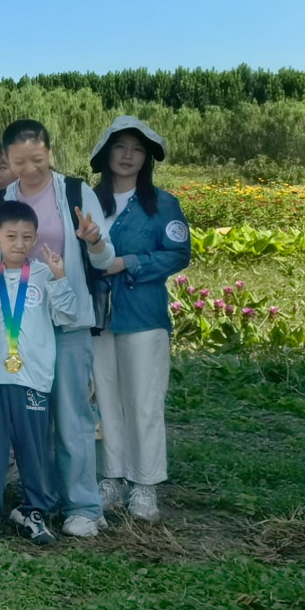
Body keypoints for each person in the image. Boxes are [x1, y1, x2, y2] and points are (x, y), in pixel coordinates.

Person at [0, 119, 116, 537]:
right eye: (18, 160)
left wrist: (94, 240)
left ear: (51, 152)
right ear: (6, 159)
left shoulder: (77, 193)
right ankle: (37, 501)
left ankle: (82, 505)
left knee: (72, 415)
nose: (28, 169)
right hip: (20, 325)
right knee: (32, 418)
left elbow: (103, 259)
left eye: (37, 159)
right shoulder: (0, 199)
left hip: (66, 321)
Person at [90, 116, 190, 522]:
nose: (127, 156)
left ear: (147, 157)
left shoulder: (162, 203)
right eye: (120, 147)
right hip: (97, 316)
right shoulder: (90, 199)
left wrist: (127, 263)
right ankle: (111, 478)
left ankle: (144, 485)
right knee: (105, 400)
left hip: (142, 316)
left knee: (143, 401)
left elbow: (176, 253)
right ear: (105, 154)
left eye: (136, 149)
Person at [0, 200, 81, 545]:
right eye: (11, 236)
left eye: (26, 237)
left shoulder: (46, 274)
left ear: (34, 239)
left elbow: (68, 316)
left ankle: (36, 513)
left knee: (34, 448)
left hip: (34, 377)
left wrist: (61, 277)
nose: (19, 243)